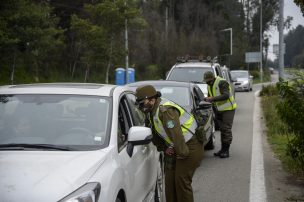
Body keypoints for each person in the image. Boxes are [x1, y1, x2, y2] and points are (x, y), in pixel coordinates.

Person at [135, 85, 203, 202]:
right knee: (170, 183)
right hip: (177, 146)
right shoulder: (151, 112)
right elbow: (155, 133)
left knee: (181, 182)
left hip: (189, 146)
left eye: (142, 103)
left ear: (152, 99)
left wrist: (181, 153)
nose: (141, 107)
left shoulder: (165, 111)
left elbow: (176, 134)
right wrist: (165, 148)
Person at [203, 71, 237, 158]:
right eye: (206, 81)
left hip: (228, 109)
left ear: (212, 78)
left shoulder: (222, 82)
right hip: (218, 110)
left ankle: (226, 151)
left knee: (226, 129)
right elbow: (211, 96)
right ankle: (222, 150)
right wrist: (207, 99)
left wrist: (212, 99)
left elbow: (226, 95)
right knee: (222, 130)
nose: (207, 82)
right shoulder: (209, 85)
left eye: (208, 80)